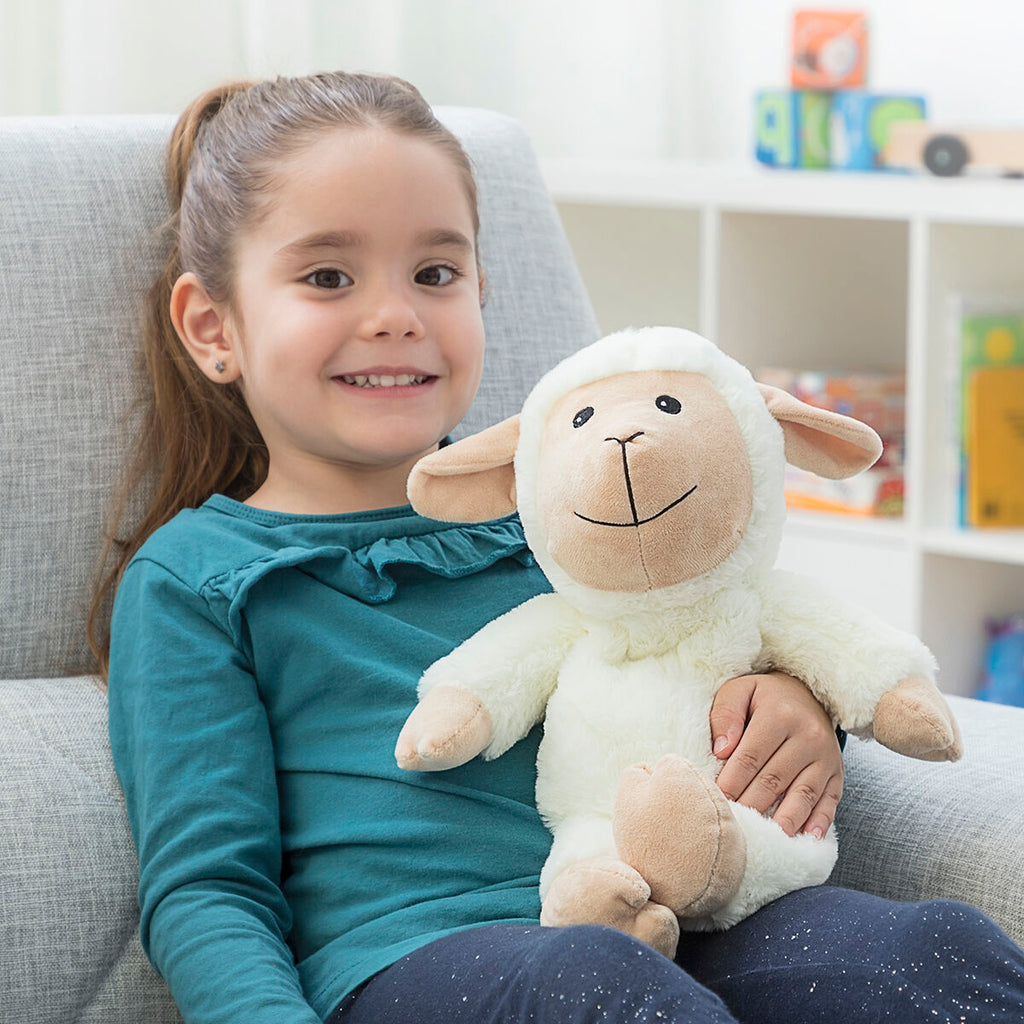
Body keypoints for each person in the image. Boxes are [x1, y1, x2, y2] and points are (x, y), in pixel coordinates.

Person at [92, 71, 1024, 1024]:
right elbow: (209, 892)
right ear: (213, 327)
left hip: (682, 911)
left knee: (928, 952)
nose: (396, 314)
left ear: (481, 291)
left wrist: (796, 706)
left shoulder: (575, 514)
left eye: (436, 274)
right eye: (328, 277)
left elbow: (716, 635)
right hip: (420, 959)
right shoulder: (196, 581)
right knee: (594, 979)